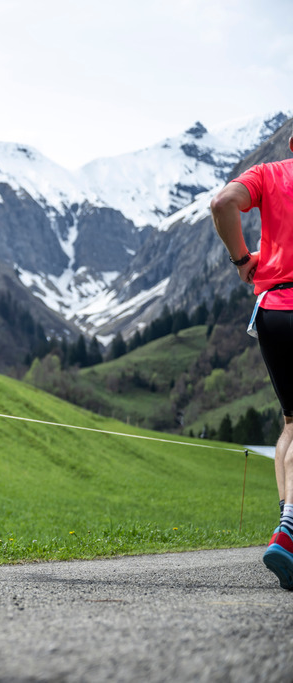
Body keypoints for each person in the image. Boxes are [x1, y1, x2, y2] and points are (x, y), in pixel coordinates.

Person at [210, 132, 293, 592]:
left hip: (273, 311)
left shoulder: (269, 174)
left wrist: (242, 258)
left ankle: (287, 521)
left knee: (291, 423)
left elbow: (222, 203)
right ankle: (289, 532)